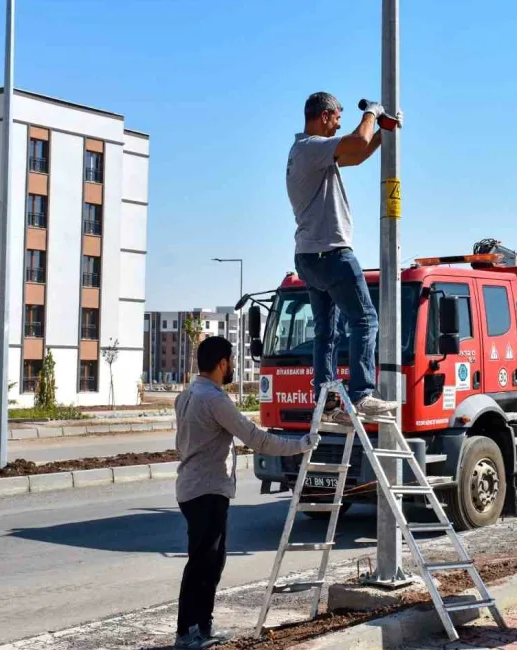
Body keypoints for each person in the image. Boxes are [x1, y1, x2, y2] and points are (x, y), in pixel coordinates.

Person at [173, 336, 320, 649]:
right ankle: (187, 634)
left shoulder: (186, 396)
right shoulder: (214, 399)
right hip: (206, 490)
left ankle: (202, 628)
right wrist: (300, 445)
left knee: (211, 562)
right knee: (202, 563)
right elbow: (256, 439)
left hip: (193, 488)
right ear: (222, 363)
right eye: (232, 361)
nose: (233, 367)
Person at [286, 91, 401, 420]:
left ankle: (327, 401)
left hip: (308, 258)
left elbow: (357, 152)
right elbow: (355, 139)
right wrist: (373, 113)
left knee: (327, 333)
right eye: (336, 118)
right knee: (365, 320)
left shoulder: (306, 152)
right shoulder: (310, 147)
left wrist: (382, 134)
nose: (338, 125)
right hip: (331, 253)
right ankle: (363, 394)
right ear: (323, 115)